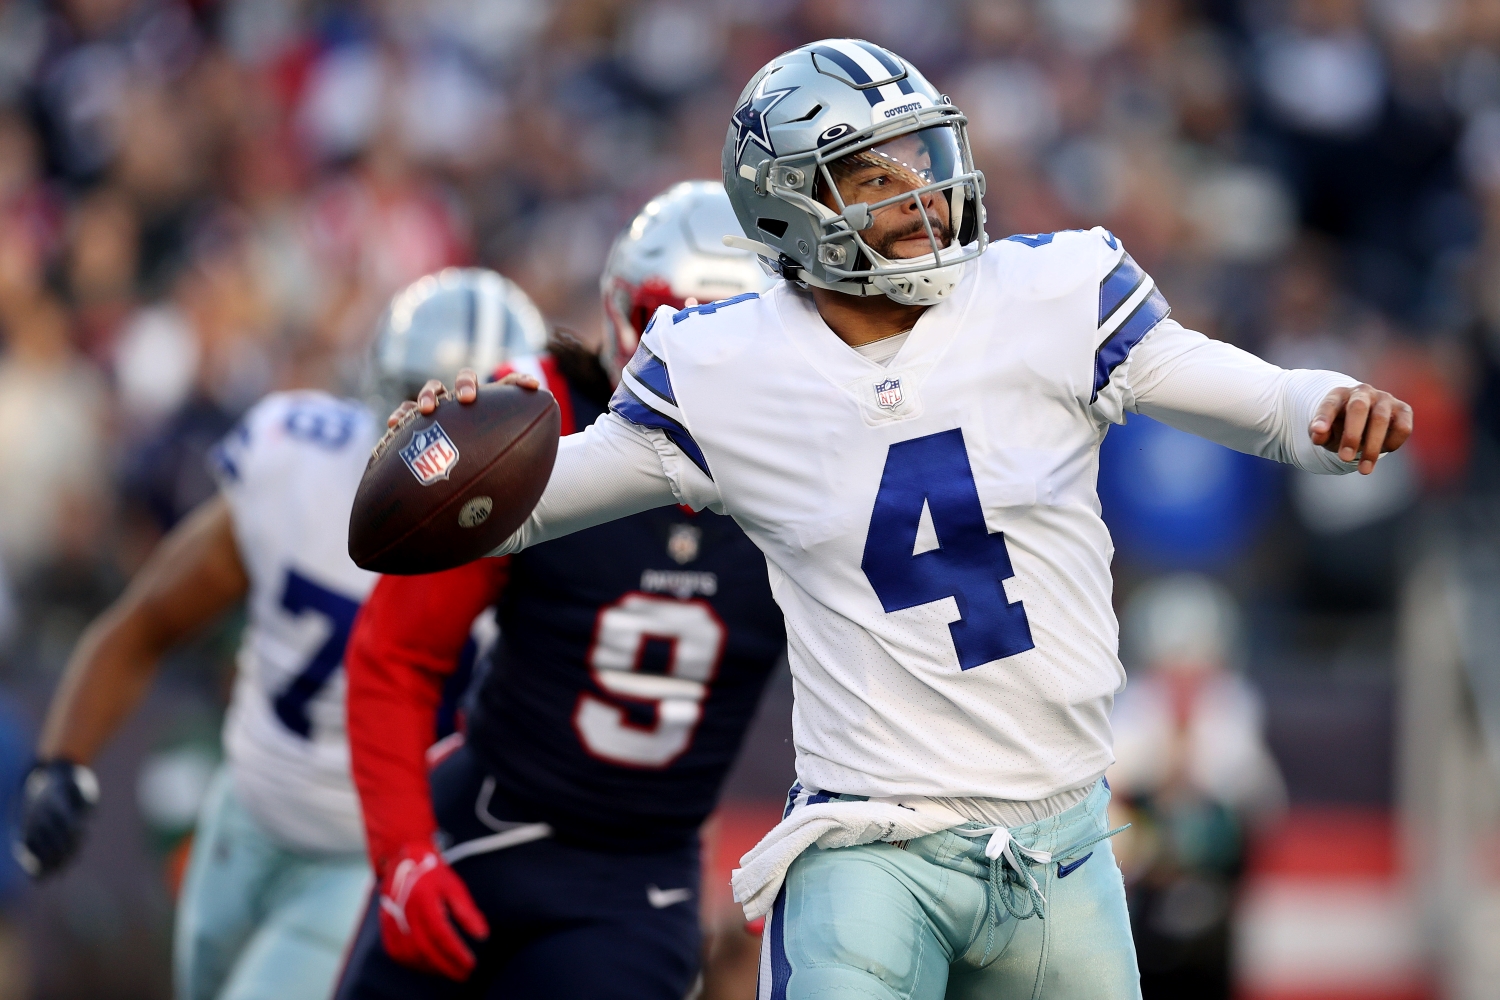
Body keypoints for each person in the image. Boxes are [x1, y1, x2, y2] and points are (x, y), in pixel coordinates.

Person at [402, 39, 1415, 1000]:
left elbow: (1262, 398)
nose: (922, 192)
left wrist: (1329, 407)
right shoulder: (721, 368)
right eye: (873, 176)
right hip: (869, 848)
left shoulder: (1055, 291)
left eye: (922, 158)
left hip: (1060, 843)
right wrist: (432, 465)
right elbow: (518, 507)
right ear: (789, 205)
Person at [14, 268, 546, 1000]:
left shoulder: (539, 536)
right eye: (430, 419)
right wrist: (62, 761)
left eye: (475, 425)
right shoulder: (295, 462)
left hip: (366, 855)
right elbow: (149, 622)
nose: (444, 455)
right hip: (247, 815)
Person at [333, 181, 786, 1000]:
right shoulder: (529, 424)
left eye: (731, 335)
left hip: (637, 880)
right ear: (623, 320)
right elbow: (396, 654)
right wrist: (403, 853)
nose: (697, 365)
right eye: (671, 325)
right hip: (482, 828)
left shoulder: (820, 464)